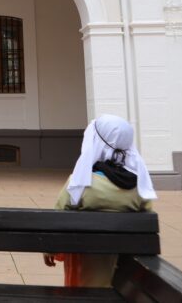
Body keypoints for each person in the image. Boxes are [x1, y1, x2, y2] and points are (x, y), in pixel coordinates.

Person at [43, 115, 157, 287]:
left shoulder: (79, 184)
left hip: (85, 270)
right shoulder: (140, 186)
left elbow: (59, 217)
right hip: (125, 273)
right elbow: (146, 212)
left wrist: (50, 248)